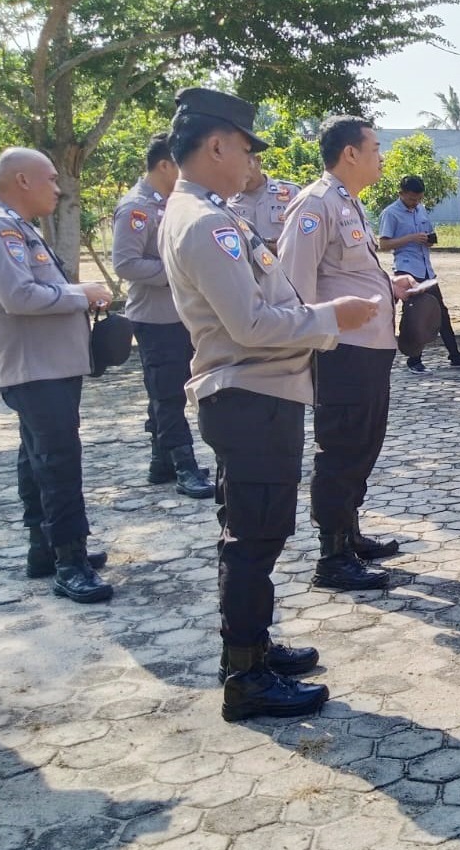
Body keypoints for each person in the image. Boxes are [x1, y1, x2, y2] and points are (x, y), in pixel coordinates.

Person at [159, 87, 379, 722]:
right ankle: (246, 676)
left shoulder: (209, 211)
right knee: (254, 538)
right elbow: (252, 325)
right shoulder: (203, 222)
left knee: (254, 533)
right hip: (250, 394)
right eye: (246, 149)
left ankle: (251, 645)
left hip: (260, 393)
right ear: (217, 144)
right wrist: (329, 316)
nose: (252, 164)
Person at [278, 115, 418, 593]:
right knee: (340, 449)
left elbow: (346, 272)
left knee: (363, 445)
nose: (381, 157)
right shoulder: (315, 204)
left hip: (370, 349)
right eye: (375, 148)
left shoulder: (348, 203)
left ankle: (349, 533)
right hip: (341, 351)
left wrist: (388, 285)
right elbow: (294, 285)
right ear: (350, 153)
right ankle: (331, 555)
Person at [0, 147, 115, 602]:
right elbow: (20, 296)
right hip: (34, 368)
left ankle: (44, 547)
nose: (58, 187)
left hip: (48, 365)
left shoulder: (20, 228)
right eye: (50, 178)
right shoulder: (0, 227)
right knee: (58, 462)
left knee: (37, 458)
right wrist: (81, 293)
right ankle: (71, 560)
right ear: (22, 181)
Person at [110, 132, 214, 499]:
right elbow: (125, 263)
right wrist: (176, 272)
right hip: (155, 318)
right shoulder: (137, 207)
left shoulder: (170, 203)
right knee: (168, 395)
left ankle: (161, 462)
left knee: (167, 390)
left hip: (178, 315)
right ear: (165, 165)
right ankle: (184, 465)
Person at [376, 174, 460, 374]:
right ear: (401, 194)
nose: (415, 203)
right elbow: (384, 244)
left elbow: (429, 234)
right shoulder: (391, 213)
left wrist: (429, 240)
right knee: (415, 315)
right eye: (412, 199)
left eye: (419, 199)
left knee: (440, 312)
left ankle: (455, 356)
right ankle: (414, 360)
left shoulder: (421, 210)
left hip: (426, 268)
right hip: (406, 268)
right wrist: (411, 238)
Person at [226, 155, 302, 251]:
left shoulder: (292, 193)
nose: (241, 173)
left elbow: (307, 237)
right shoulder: (227, 202)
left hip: (285, 262)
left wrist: (284, 246)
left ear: (258, 161)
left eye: (246, 165)